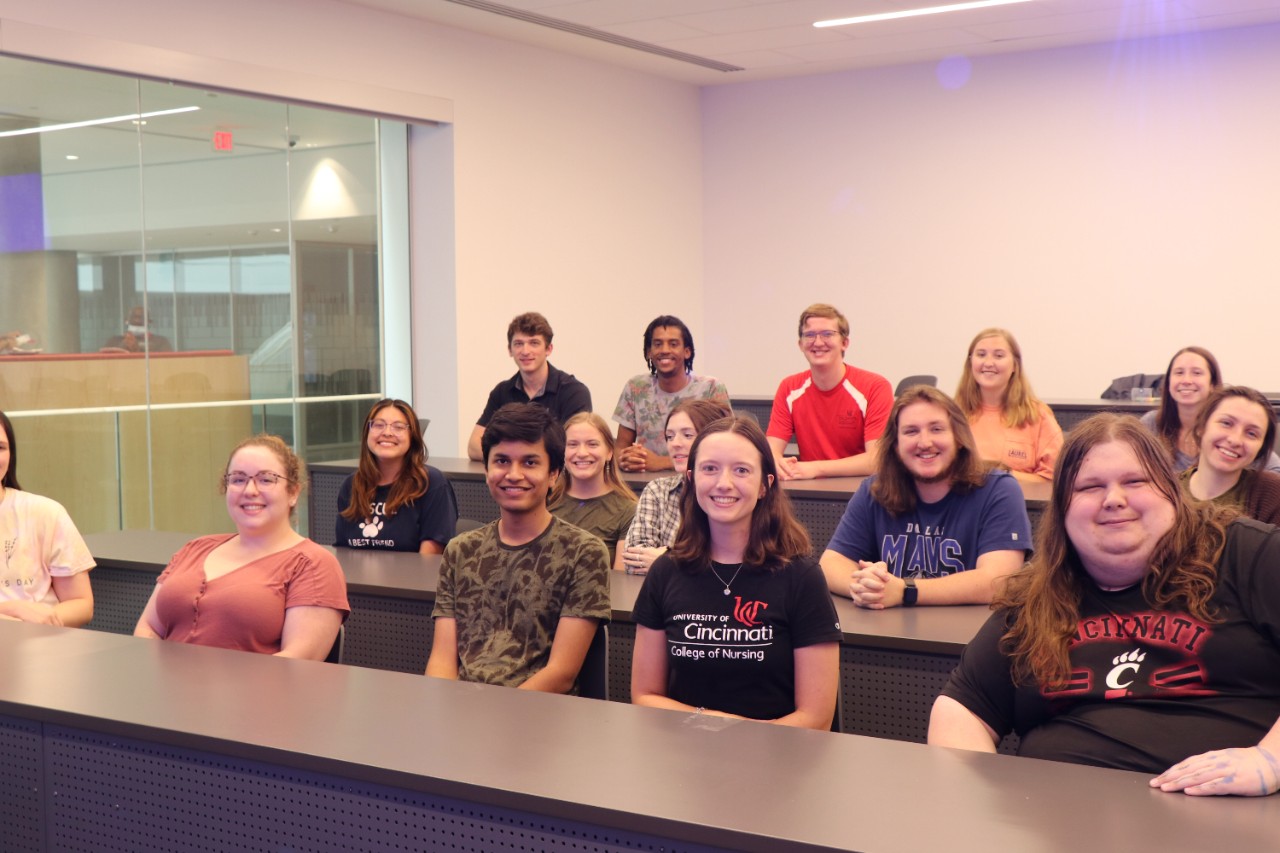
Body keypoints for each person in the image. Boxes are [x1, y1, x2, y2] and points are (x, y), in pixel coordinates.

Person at [930, 413, 1280, 797]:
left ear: (1171, 490)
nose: (1114, 499)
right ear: (1062, 509)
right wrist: (983, 808)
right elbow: (962, 708)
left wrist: (1271, 761)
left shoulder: (1247, 552)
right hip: (1061, 818)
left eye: (1135, 481)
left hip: (1226, 816)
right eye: (1090, 487)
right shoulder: (1036, 594)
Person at [631, 415, 841, 729]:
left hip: (778, 759)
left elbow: (816, 718)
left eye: (741, 470)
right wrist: (709, 722)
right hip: (682, 755)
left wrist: (735, 733)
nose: (723, 483)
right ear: (691, 479)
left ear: (764, 486)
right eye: (710, 468)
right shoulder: (665, 572)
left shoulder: (801, 577)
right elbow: (645, 695)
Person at [427, 403, 611, 692]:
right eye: (501, 461)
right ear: (486, 470)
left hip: (538, 716)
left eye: (529, 462)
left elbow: (561, 673)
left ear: (553, 474)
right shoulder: (460, 550)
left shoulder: (583, 552)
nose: (513, 474)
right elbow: (441, 659)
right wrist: (445, 708)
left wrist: (492, 716)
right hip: (462, 712)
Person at [134, 435, 348, 658]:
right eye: (238, 480)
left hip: (252, 692)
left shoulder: (313, 565)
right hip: (164, 688)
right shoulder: (195, 548)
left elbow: (296, 663)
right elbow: (147, 628)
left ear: (293, 492)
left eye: (266, 479)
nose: (250, 490)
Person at [821, 386, 1032, 608]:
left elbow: (998, 582)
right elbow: (831, 563)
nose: (924, 442)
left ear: (959, 438)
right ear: (895, 445)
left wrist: (905, 591)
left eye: (937, 429)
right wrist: (866, 587)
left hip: (969, 636)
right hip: (893, 631)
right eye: (911, 431)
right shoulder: (874, 489)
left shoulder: (998, 490)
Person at [767, 303, 893, 480]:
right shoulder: (789, 387)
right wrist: (777, 462)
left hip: (861, 490)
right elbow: (770, 451)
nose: (818, 342)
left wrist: (815, 469)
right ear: (801, 344)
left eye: (827, 334)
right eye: (809, 335)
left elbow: (876, 460)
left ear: (844, 343)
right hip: (810, 491)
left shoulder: (875, 387)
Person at [0, 411, 95, 627]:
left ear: (11, 455)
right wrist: (14, 609)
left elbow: (80, 603)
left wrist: (38, 621)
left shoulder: (45, 512)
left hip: (42, 647)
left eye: (0, 448)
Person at [620, 398, 732, 576]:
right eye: (670, 436)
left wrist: (666, 558)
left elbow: (729, 566)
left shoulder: (727, 492)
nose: (675, 444)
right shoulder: (657, 490)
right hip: (668, 598)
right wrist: (695, 564)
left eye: (687, 435)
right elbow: (633, 561)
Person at [335, 398, 457, 553]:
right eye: (378, 425)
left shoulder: (431, 483)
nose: (387, 433)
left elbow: (429, 563)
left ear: (412, 437)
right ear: (367, 432)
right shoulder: (352, 485)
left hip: (410, 577)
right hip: (356, 577)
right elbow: (343, 552)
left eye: (398, 427)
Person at [466, 312, 591, 461]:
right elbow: (474, 447)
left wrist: (508, 453)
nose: (525, 351)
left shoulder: (574, 392)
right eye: (518, 344)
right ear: (510, 350)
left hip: (559, 482)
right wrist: (526, 457)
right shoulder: (502, 392)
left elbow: (574, 449)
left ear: (548, 349)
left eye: (534, 343)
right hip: (512, 480)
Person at [613, 315, 730, 473]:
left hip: (699, 481)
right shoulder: (636, 388)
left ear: (687, 352)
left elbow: (726, 448)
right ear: (649, 352)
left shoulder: (711, 388)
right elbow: (621, 447)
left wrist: (661, 462)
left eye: (673, 344)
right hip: (644, 483)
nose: (665, 350)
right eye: (658, 344)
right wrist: (626, 459)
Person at [1141, 346, 1280, 475]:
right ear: (1168, 382)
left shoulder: (1230, 432)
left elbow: (1272, 466)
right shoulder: (1151, 424)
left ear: (1212, 384)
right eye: (1179, 372)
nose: (1186, 380)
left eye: (1196, 373)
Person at [955, 327, 1063, 483]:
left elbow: (1053, 480)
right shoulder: (952, 414)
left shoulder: (1037, 415)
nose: (988, 363)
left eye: (999, 356)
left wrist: (998, 476)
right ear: (970, 363)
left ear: (1014, 365)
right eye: (981, 355)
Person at [1179, 386, 1280, 525]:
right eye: (1226, 423)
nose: (1235, 440)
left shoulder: (1273, 494)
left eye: (1251, 433)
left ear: (1261, 448)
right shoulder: (1164, 488)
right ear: (1202, 427)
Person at [549, 412, 637, 570]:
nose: (582, 453)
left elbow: (620, 582)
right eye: (572, 444)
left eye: (592, 444)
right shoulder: (544, 502)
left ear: (610, 452)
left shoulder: (628, 511)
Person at [101, 305, 173, 353]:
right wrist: (122, 346)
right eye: (134, 317)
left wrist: (138, 350)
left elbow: (166, 363)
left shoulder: (161, 342)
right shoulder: (114, 341)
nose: (137, 321)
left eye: (142, 318)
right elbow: (104, 362)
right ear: (126, 320)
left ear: (149, 322)